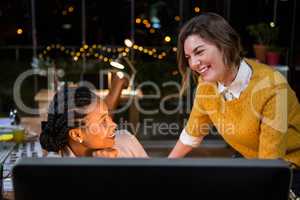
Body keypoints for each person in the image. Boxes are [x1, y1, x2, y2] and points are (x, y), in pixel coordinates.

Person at [168, 12, 300, 195]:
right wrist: (164, 168)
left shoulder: (272, 87)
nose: (193, 63)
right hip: (251, 161)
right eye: (189, 57)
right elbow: (193, 132)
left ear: (224, 44)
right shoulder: (207, 86)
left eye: (199, 52)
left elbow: (270, 165)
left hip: (290, 169)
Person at [40, 74, 148, 158]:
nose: (114, 125)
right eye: (102, 121)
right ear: (77, 135)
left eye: (108, 117)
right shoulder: (53, 166)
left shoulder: (126, 141)